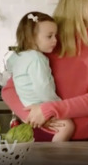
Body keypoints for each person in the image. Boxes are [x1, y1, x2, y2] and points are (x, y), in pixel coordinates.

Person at [2, 0, 88, 141]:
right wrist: (30, 116)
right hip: (35, 136)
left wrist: (48, 110)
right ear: (73, 3)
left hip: (83, 144)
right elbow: (9, 89)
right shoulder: (49, 44)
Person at [7, 11, 74, 142]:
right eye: (49, 36)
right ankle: (55, 156)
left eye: (56, 35)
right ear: (31, 37)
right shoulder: (37, 58)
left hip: (26, 106)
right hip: (40, 105)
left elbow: (9, 71)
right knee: (67, 126)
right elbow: (43, 88)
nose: (55, 40)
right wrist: (58, 104)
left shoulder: (16, 55)